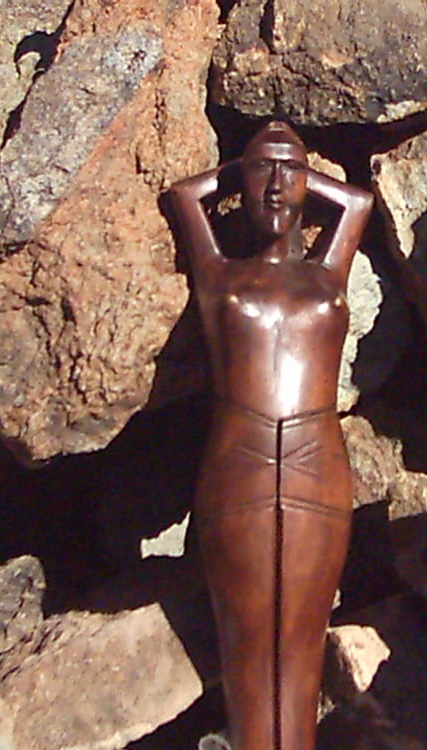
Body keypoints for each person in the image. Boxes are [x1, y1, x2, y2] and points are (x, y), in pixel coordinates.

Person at [168, 121, 373, 750]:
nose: (277, 185)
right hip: (239, 462)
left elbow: (359, 202)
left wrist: (291, 172)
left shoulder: (328, 272)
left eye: (291, 171)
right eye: (263, 171)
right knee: (248, 644)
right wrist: (241, 171)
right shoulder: (218, 271)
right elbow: (183, 196)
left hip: (317, 463)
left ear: (311, 184)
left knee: (303, 643)